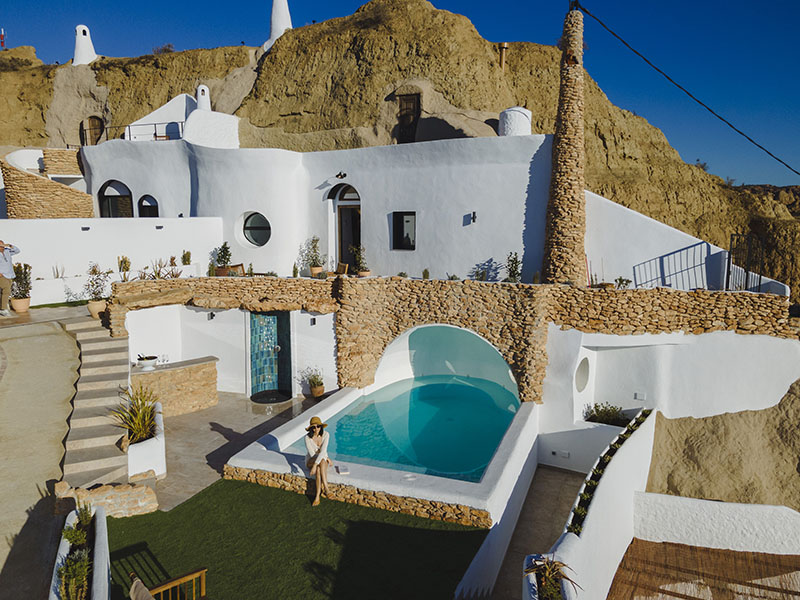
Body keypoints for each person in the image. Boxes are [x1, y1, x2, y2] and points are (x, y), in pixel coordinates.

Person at [304, 416, 332, 506]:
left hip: (319, 461)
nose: (316, 429)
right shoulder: (307, 438)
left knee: (319, 469)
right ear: (311, 429)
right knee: (322, 461)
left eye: (318, 426)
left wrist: (316, 465)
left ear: (321, 427)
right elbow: (312, 454)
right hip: (310, 460)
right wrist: (324, 458)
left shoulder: (326, 435)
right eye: (314, 427)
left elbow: (323, 450)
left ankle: (317, 496)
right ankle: (326, 490)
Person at [0, 240, 20, 317]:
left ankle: (3, 307)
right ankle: (3, 309)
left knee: (5, 292)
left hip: (10, 274)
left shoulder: (7, 251)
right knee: (6, 290)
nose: (2, 247)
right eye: (0, 246)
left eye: (2, 246)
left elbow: (17, 251)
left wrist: (10, 245)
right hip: (2, 275)